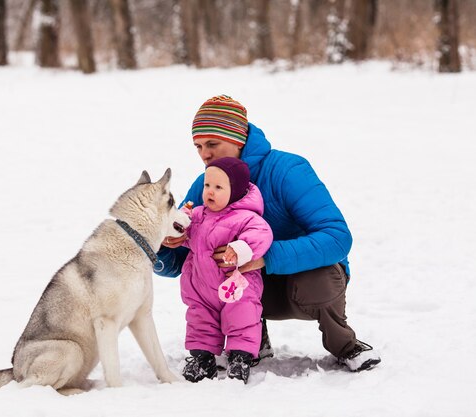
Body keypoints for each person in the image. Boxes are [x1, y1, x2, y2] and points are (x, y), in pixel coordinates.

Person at [158, 95, 381, 373]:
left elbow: (337, 237)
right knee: (206, 272)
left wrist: (266, 257)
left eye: (213, 144)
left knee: (318, 281)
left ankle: (345, 345)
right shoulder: (207, 185)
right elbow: (182, 261)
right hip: (244, 290)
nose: (205, 154)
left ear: (239, 139)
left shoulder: (288, 170)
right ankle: (251, 342)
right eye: (199, 146)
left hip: (302, 284)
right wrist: (163, 244)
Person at [179, 157, 273, 384]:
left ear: (236, 191)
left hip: (236, 286)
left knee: (243, 317)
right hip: (201, 287)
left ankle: (240, 358)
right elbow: (183, 231)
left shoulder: (247, 217)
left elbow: (261, 235)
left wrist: (241, 249)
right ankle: (203, 359)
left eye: (218, 187)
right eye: (207, 186)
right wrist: (177, 226)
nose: (210, 192)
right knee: (200, 320)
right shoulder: (199, 215)